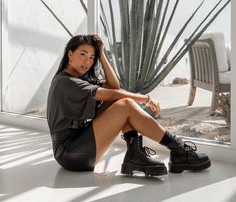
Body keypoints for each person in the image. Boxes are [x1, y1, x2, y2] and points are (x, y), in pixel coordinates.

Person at [47, 35, 211, 176]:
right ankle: (179, 150)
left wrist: (102, 54)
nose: (87, 61)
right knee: (124, 104)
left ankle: (135, 154)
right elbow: (112, 93)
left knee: (118, 104)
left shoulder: (78, 78)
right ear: (70, 53)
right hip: (70, 153)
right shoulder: (65, 82)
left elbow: (113, 86)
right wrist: (145, 98)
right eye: (83, 54)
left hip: (80, 145)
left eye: (91, 57)